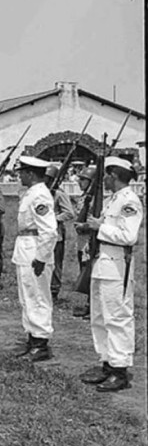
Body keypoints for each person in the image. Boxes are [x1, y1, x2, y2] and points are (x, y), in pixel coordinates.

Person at [77, 157, 143, 392]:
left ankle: (119, 369)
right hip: (101, 261)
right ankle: (106, 361)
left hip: (117, 263)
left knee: (117, 317)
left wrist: (99, 228)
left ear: (114, 175)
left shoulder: (129, 201)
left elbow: (129, 236)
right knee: (99, 316)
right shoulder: (111, 201)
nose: (102, 179)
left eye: (105, 175)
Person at [12, 156, 58, 362]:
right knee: (27, 296)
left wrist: (41, 257)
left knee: (38, 297)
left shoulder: (40, 195)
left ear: (31, 174)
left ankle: (40, 342)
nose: (19, 175)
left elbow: (49, 231)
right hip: (25, 248)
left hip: (35, 250)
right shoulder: (30, 194)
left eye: (22, 172)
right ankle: (32, 337)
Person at [44, 164, 75, 302]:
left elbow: (69, 213)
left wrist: (54, 218)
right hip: (42, 234)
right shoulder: (42, 193)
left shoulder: (59, 194)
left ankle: (54, 290)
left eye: (47, 178)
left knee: (55, 264)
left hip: (56, 235)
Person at [72, 165, 98, 318]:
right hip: (81, 241)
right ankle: (89, 305)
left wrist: (85, 226)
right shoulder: (84, 198)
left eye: (83, 179)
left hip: (90, 240)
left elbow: (96, 221)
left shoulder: (96, 200)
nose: (79, 182)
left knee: (91, 273)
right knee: (84, 272)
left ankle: (93, 306)